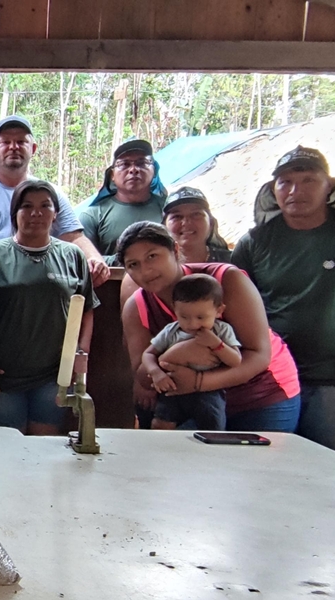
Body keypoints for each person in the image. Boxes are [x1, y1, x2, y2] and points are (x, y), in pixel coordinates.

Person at [119, 221, 301, 432]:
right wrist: (178, 356)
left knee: (256, 464)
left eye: (152, 256)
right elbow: (142, 375)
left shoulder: (225, 280)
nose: (146, 270)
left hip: (261, 393)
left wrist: (199, 381)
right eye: (133, 264)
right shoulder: (137, 306)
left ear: (175, 250)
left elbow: (259, 355)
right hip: (191, 401)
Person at [0, 180, 98, 435]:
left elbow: (86, 307)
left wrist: (81, 353)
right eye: (27, 206)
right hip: (4, 378)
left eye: (45, 206)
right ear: (14, 214)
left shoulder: (72, 255)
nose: (36, 213)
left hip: (53, 376)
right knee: (4, 451)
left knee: (45, 451)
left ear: (56, 214)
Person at [232, 146, 335, 448]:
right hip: (271, 380)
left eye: (308, 181)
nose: (295, 190)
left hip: (328, 379)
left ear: (328, 185)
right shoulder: (253, 243)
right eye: (285, 182)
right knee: (271, 472)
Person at [0, 115, 109, 286]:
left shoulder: (49, 193)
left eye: (21, 142)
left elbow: (73, 236)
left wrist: (94, 258)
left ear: (33, 149)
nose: (13, 147)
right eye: (5, 142)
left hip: (36, 282)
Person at [142, 274, 242, 430]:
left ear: (218, 310)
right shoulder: (171, 330)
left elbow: (235, 361)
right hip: (173, 390)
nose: (192, 324)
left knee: (212, 428)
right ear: (174, 308)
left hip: (208, 391)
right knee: (161, 425)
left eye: (201, 317)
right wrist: (156, 373)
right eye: (184, 316)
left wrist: (217, 344)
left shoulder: (221, 330)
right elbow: (148, 354)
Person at [77, 139, 168, 265]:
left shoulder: (170, 210)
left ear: (154, 171)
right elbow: (80, 261)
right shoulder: (92, 216)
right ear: (112, 175)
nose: (134, 170)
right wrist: (128, 259)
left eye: (142, 163)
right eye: (124, 164)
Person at [162, 186, 231, 263]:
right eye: (177, 216)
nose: (186, 222)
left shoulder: (234, 261)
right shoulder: (159, 271)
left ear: (211, 223)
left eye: (196, 214)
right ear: (164, 227)